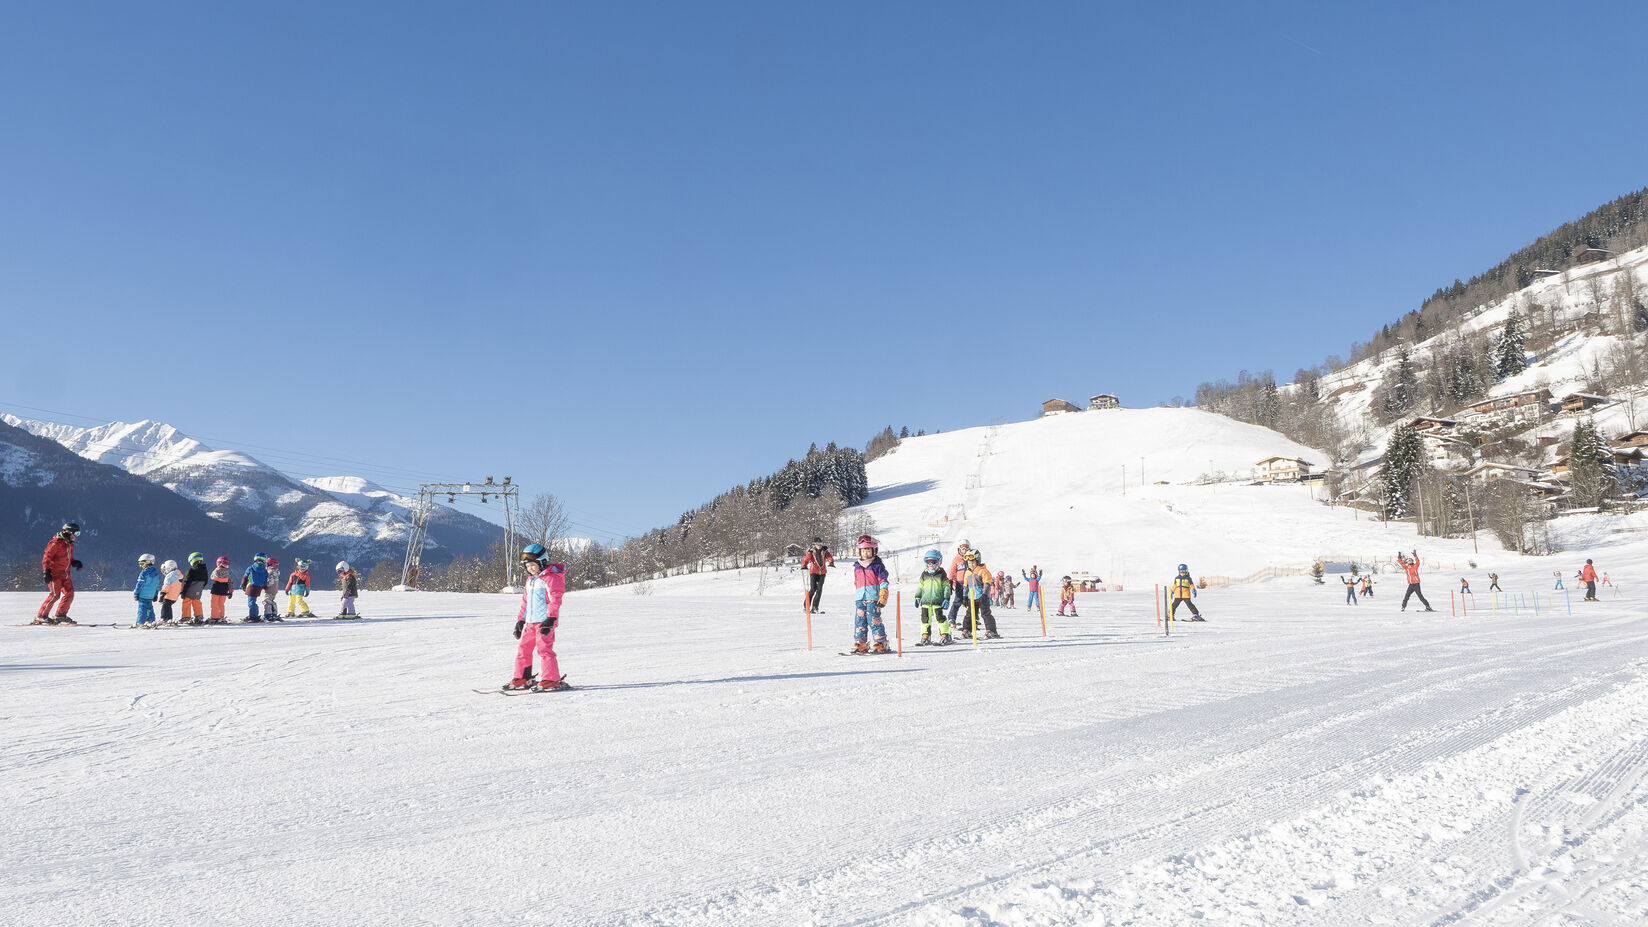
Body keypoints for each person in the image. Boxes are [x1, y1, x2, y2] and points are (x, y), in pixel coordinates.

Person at [506, 544, 569, 691]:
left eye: (533, 565)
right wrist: (521, 620)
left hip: (544, 622)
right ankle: (522, 677)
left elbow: (555, 600)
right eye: (527, 566)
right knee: (523, 649)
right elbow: (525, 603)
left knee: (544, 650)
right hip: (530, 622)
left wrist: (551, 619)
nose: (530, 569)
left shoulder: (551, 579)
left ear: (542, 562)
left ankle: (551, 679)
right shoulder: (530, 581)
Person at [35, 522, 84, 625]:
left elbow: (68, 559)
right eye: (76, 533)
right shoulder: (55, 543)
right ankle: (41, 616)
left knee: (69, 594)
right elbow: (47, 558)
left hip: (65, 575)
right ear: (68, 532)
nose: (76, 536)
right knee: (55, 595)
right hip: (54, 574)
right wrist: (46, 572)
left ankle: (60, 615)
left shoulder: (69, 545)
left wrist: (74, 562)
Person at [850, 534, 891, 653]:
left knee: (874, 620)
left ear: (874, 550)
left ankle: (880, 642)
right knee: (859, 620)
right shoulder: (857, 566)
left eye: (868, 550)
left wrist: (883, 594)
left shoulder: (877, 565)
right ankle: (861, 642)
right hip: (860, 598)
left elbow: (883, 581)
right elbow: (856, 582)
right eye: (863, 551)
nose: (865, 553)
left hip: (873, 598)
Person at [913, 549, 953, 646]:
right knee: (925, 620)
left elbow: (946, 587)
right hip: (925, 602)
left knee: (940, 619)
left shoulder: (941, 574)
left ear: (939, 562)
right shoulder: (924, 574)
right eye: (928, 562)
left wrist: (946, 598)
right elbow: (920, 586)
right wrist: (918, 597)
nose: (931, 564)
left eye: (934, 561)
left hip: (937, 601)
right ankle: (925, 636)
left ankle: (945, 635)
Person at [959, 548, 1000, 638]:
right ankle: (967, 630)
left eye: (973, 562)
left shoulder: (983, 571)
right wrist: (965, 597)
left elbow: (987, 583)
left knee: (985, 614)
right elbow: (965, 586)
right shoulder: (967, 572)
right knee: (969, 614)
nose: (971, 565)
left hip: (981, 597)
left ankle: (991, 630)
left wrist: (984, 594)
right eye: (969, 563)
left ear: (978, 561)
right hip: (971, 597)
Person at [946, 540, 973, 630]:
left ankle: (973, 618)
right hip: (960, 583)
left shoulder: (971, 559)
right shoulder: (956, 560)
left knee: (971, 601)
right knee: (958, 601)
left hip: (970, 583)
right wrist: (950, 581)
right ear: (959, 550)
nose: (964, 551)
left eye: (966, 548)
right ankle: (951, 618)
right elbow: (952, 571)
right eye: (962, 549)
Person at [802, 538, 833, 614]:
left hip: (822, 573)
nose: (819, 546)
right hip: (813, 572)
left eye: (821, 544)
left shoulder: (825, 551)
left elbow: (829, 557)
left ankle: (815, 607)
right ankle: (806, 605)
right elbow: (806, 559)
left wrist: (831, 562)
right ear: (814, 544)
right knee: (813, 589)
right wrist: (804, 565)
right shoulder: (811, 551)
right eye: (818, 544)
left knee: (819, 590)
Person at [180, 552, 209, 624]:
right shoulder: (204, 570)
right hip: (198, 591)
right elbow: (206, 581)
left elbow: (187, 582)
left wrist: (183, 592)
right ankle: (199, 616)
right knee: (197, 602)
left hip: (189, 590)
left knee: (186, 602)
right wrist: (199, 588)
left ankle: (186, 617)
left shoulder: (191, 571)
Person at [133, 553, 161, 628]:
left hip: (143, 595)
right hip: (151, 595)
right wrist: (155, 595)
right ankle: (152, 621)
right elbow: (156, 586)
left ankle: (140, 622)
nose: (141, 566)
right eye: (140, 564)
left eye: (142, 564)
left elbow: (139, 584)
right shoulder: (156, 574)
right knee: (149, 608)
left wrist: (136, 593)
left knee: (142, 609)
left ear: (148, 563)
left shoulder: (144, 573)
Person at [242, 552, 270, 622]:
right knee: (253, 601)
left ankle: (253, 616)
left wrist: (243, 585)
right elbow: (266, 579)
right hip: (259, 587)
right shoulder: (265, 570)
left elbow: (245, 577)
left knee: (251, 602)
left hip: (251, 587)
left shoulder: (251, 568)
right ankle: (254, 615)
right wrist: (264, 586)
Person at [208, 556, 234, 623]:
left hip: (216, 589)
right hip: (224, 590)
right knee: (221, 604)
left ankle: (215, 617)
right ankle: (221, 616)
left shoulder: (216, 570)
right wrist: (230, 592)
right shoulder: (228, 572)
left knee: (214, 604)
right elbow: (231, 582)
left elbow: (212, 577)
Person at [158, 559, 183, 625]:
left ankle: (164, 618)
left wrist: (162, 594)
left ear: (169, 568)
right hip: (175, 596)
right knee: (168, 606)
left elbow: (166, 586)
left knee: (165, 606)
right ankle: (169, 619)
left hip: (169, 595)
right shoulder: (178, 574)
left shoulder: (169, 576)